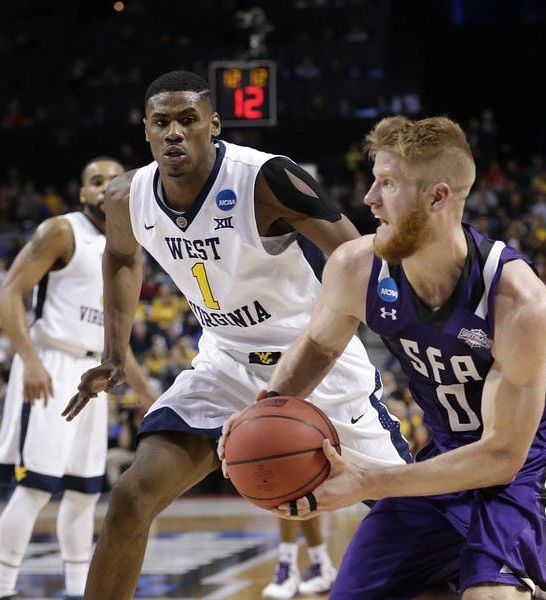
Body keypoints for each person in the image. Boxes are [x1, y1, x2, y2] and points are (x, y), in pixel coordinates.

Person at [63, 71, 410, 599]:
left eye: (187, 120)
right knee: (132, 495)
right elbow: (120, 256)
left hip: (315, 359)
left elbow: (357, 255)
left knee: (413, 513)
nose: (174, 132)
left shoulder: (265, 178)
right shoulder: (125, 196)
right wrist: (113, 353)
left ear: (214, 126)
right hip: (225, 361)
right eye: (162, 123)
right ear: (147, 133)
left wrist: (378, 336)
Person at [221, 116, 546, 599]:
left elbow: (503, 457)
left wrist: (369, 481)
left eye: (388, 184)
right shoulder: (356, 267)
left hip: (531, 466)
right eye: (374, 180)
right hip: (447, 456)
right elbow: (318, 346)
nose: (369, 198)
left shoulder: (517, 301)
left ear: (437, 197)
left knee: (490, 596)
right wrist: (264, 412)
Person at [0, 157, 158, 600]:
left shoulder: (127, 246)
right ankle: (0, 591)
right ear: (83, 193)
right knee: (35, 487)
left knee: (83, 494)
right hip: (51, 365)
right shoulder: (61, 231)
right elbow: (9, 293)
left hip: (95, 374)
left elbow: (121, 345)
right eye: (95, 182)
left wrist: (146, 395)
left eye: (113, 181)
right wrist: (30, 361)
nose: (104, 188)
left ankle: (78, 589)